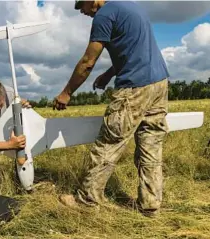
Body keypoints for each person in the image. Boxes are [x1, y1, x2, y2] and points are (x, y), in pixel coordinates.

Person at [53, 0, 170, 217]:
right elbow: (131, 51)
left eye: (81, 6)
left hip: (134, 88)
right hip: (159, 84)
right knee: (151, 145)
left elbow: (88, 61)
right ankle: (150, 205)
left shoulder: (104, 15)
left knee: (109, 143)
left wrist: (66, 93)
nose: (82, 11)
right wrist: (108, 75)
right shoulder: (131, 7)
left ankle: (87, 200)